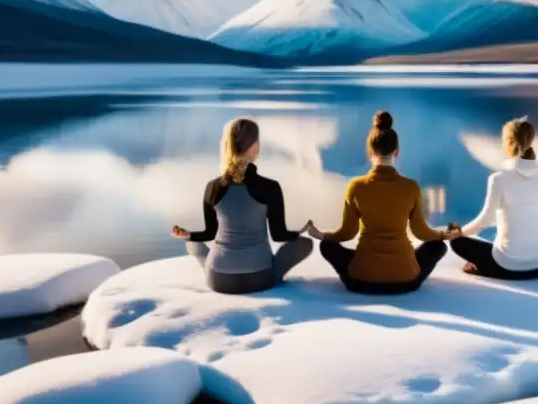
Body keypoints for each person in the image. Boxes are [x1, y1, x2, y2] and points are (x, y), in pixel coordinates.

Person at [304, 111, 458, 294]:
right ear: (396, 152)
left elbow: (347, 233)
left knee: (328, 245)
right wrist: (443, 235)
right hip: (406, 280)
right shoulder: (411, 187)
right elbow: (421, 232)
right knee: (437, 246)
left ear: (370, 151)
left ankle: (365, 265)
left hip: (360, 280)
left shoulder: (356, 186)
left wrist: (321, 235)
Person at [172, 117, 312, 294]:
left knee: (192, 244)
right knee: (305, 243)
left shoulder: (213, 187)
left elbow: (209, 233)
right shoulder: (270, 187)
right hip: (259, 278)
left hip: (218, 279)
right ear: (254, 145)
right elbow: (279, 235)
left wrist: (188, 235)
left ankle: (205, 259)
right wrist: (299, 232)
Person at [449, 117, 538, 280]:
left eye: (502, 141)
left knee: (457, 242)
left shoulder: (498, 179)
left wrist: (460, 233)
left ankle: (483, 266)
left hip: (507, 266)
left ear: (509, 143)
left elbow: (486, 219)